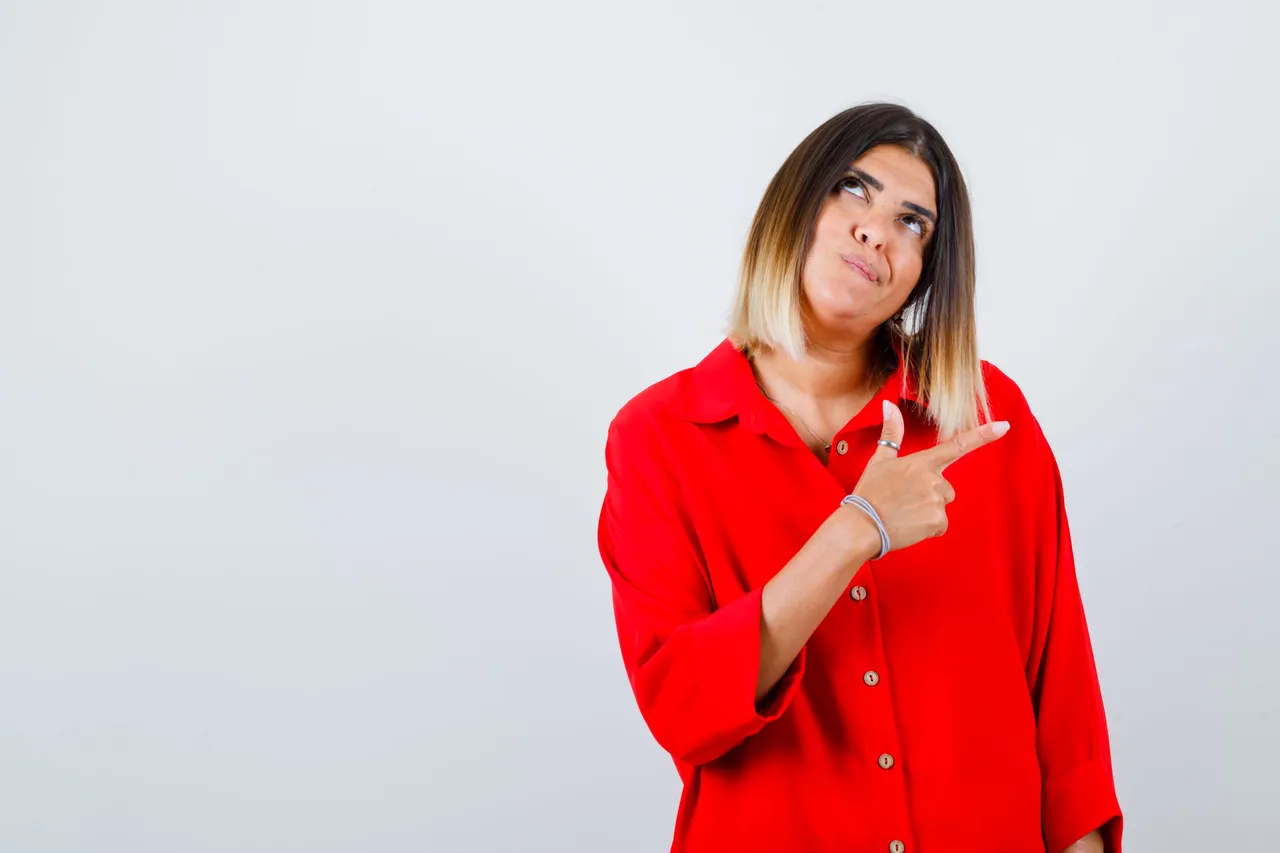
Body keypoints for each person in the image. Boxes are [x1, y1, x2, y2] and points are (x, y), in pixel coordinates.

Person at [595, 103, 1123, 853]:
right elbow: (682, 707)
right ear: (794, 205)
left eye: (914, 222)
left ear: (924, 273)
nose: (878, 229)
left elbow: (1062, 702)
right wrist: (857, 529)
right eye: (852, 188)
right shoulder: (658, 439)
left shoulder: (985, 417)